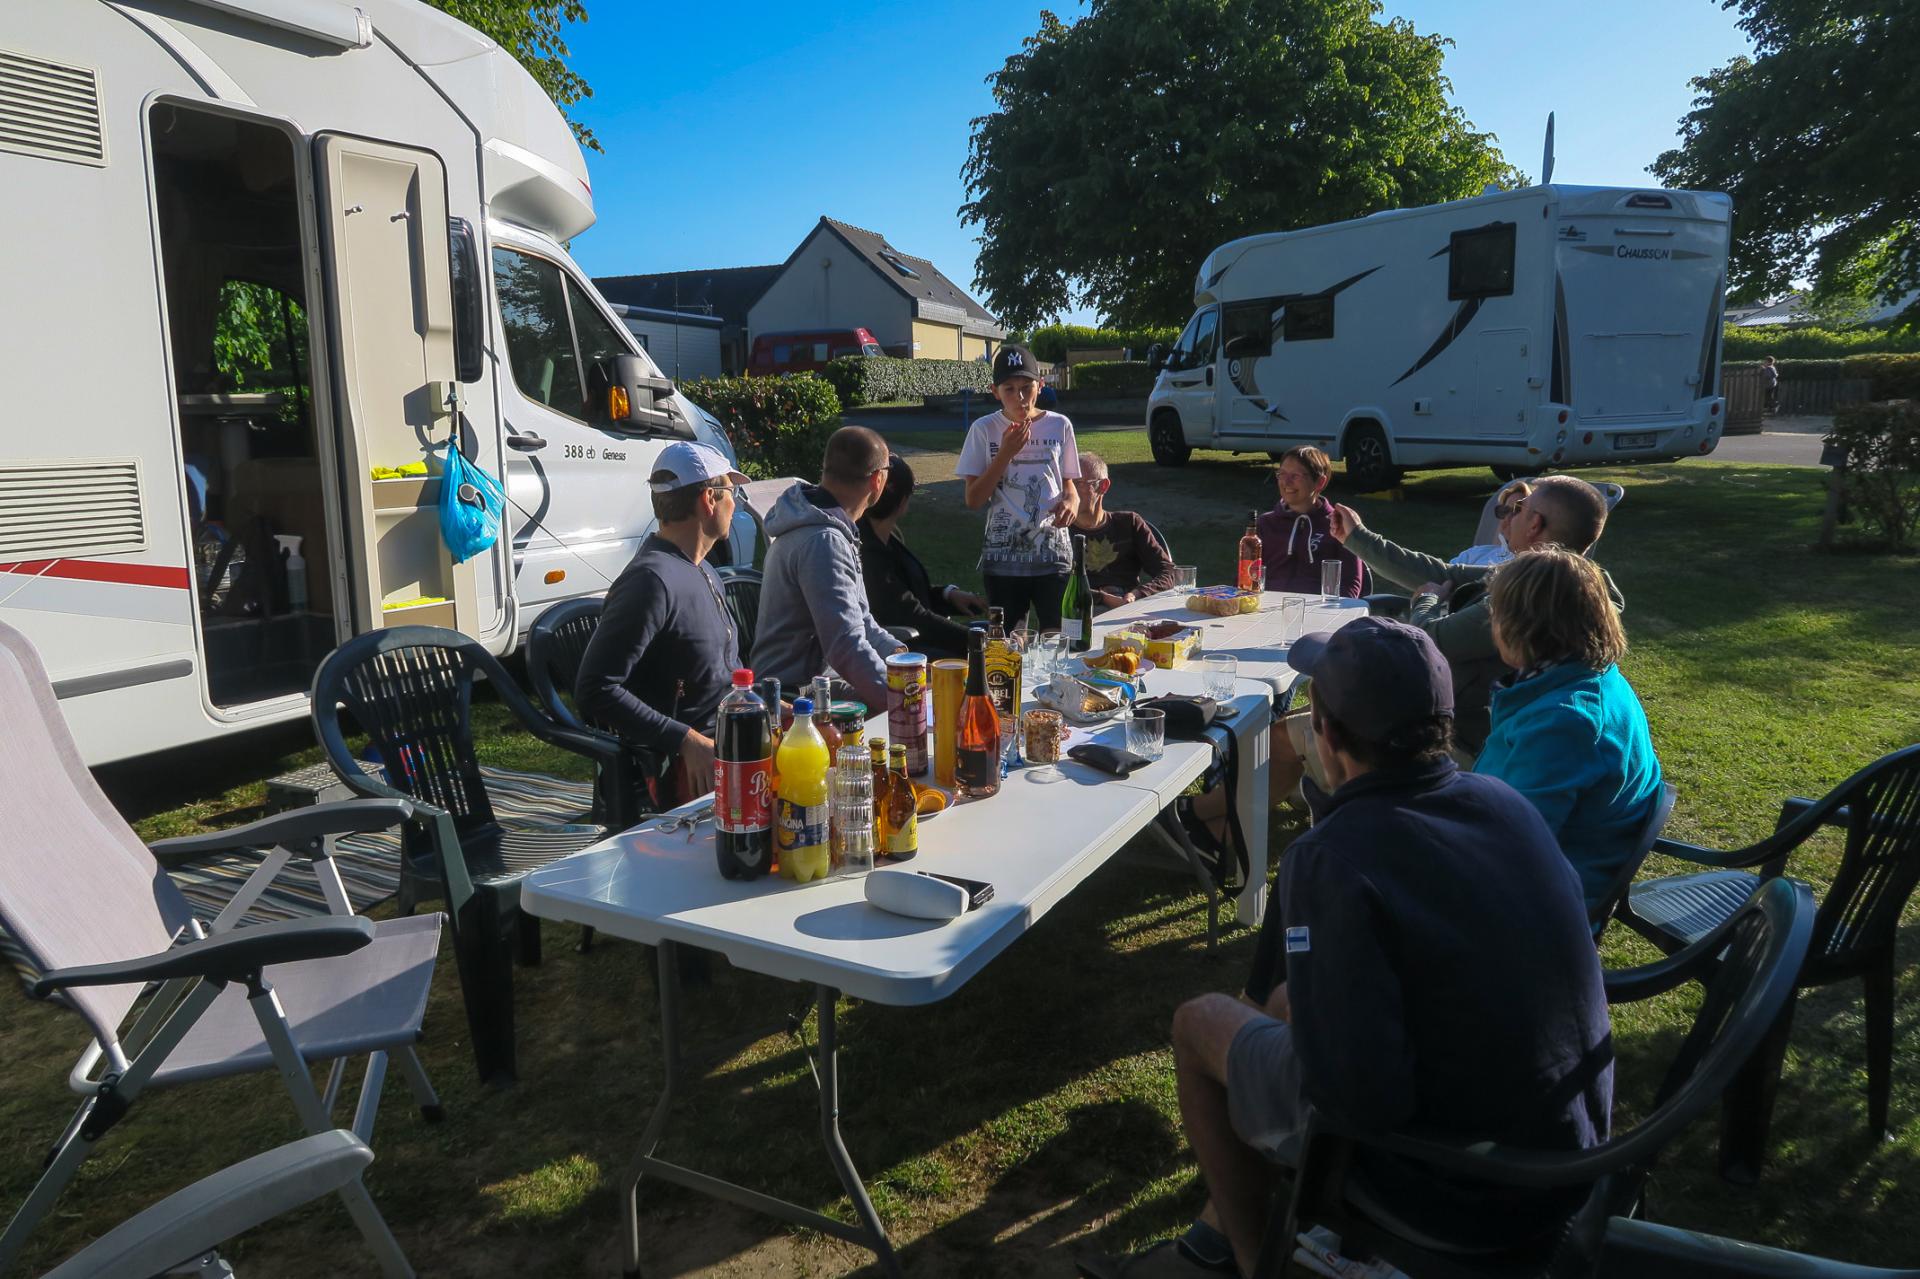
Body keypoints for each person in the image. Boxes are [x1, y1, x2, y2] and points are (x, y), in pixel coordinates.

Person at [1094, 619, 1612, 1279]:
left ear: (1328, 737)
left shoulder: (1334, 854)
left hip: (1467, 1192)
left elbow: (1358, 1100)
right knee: (1283, 1001)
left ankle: (1258, 1267)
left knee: (1199, 1022)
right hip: (1566, 1162)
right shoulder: (1503, 802)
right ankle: (1216, 1231)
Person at [1325, 473, 1621, 754]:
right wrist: (1357, 537)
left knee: (1313, 730)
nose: (1508, 516)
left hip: (1459, 739)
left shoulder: (1530, 600)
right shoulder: (1571, 584)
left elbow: (1430, 641)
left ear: (1534, 524)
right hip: (1455, 722)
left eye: (1518, 508)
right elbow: (1445, 573)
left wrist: (1427, 601)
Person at [1478, 546, 1664, 917]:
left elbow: (1510, 851)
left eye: (1494, 612)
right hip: (1550, 869)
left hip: (1536, 910)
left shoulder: (1563, 723)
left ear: (1523, 626)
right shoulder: (1590, 674)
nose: (1490, 623)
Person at [574, 441, 747, 807]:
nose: (737, 502)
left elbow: (720, 671)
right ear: (708, 500)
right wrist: (684, 739)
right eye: (732, 491)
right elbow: (595, 689)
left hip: (734, 745)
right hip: (686, 771)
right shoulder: (651, 581)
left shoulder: (703, 569)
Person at [751, 426, 905, 712]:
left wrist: (904, 662)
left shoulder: (831, 529)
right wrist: (903, 702)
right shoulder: (824, 542)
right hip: (793, 696)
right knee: (924, 720)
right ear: (877, 479)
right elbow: (846, 647)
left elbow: (861, 621)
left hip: (820, 683)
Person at [957, 343, 1081, 630]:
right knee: (1007, 648)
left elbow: (1069, 484)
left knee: (1061, 637)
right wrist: (1005, 454)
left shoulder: (1060, 426)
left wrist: (1072, 502)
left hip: (1054, 557)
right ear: (994, 391)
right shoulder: (983, 429)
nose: (1020, 397)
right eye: (1009, 389)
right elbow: (974, 499)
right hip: (1004, 561)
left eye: (1026, 387)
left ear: (1040, 385)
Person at [858, 455, 986, 658]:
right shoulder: (867, 552)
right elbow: (911, 615)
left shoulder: (886, 539)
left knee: (991, 631)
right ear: (903, 500)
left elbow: (907, 594)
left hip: (920, 635)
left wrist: (948, 594)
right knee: (985, 653)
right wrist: (980, 642)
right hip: (903, 650)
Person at [1070, 450, 1178, 610]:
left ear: (1103, 486)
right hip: (1077, 613)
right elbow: (1054, 583)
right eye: (1067, 483)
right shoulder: (1058, 530)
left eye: (1078, 483)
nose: (1070, 491)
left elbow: (1169, 572)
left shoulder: (1129, 524)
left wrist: (1137, 594)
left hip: (1127, 612)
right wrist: (1103, 598)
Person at [1257, 446, 1362, 596]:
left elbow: (1350, 586)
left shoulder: (1339, 525)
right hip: (1267, 610)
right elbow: (1245, 580)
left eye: (1295, 476)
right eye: (1282, 474)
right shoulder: (1265, 524)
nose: (1286, 482)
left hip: (1320, 613)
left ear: (1319, 482)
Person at [1449, 478, 1533, 567]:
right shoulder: (1475, 554)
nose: (1507, 518)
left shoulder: (1529, 566)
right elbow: (1442, 572)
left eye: (1517, 511)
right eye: (1504, 511)